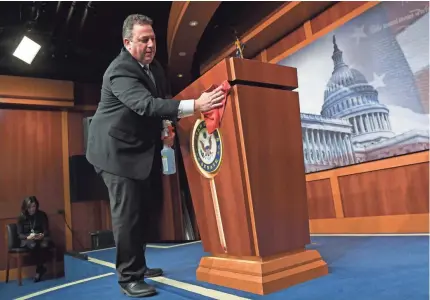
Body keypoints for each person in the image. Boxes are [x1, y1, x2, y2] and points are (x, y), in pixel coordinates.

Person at [85, 14, 226, 298]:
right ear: (127, 42)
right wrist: (197, 105)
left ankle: (139, 265)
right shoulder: (119, 70)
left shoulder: (155, 68)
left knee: (144, 211)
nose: (151, 45)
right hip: (114, 153)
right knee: (127, 215)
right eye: (143, 40)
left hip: (139, 149)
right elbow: (145, 104)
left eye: (153, 39)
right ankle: (128, 278)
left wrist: (166, 129)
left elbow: (161, 104)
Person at [17, 196, 52, 282]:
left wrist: (42, 235)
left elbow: (46, 231)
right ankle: (40, 270)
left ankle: (39, 270)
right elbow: (20, 235)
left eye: (34, 206)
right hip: (28, 239)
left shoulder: (41, 215)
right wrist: (28, 237)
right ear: (26, 208)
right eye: (29, 207)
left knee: (44, 244)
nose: (32, 209)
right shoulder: (21, 217)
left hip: (40, 238)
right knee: (33, 244)